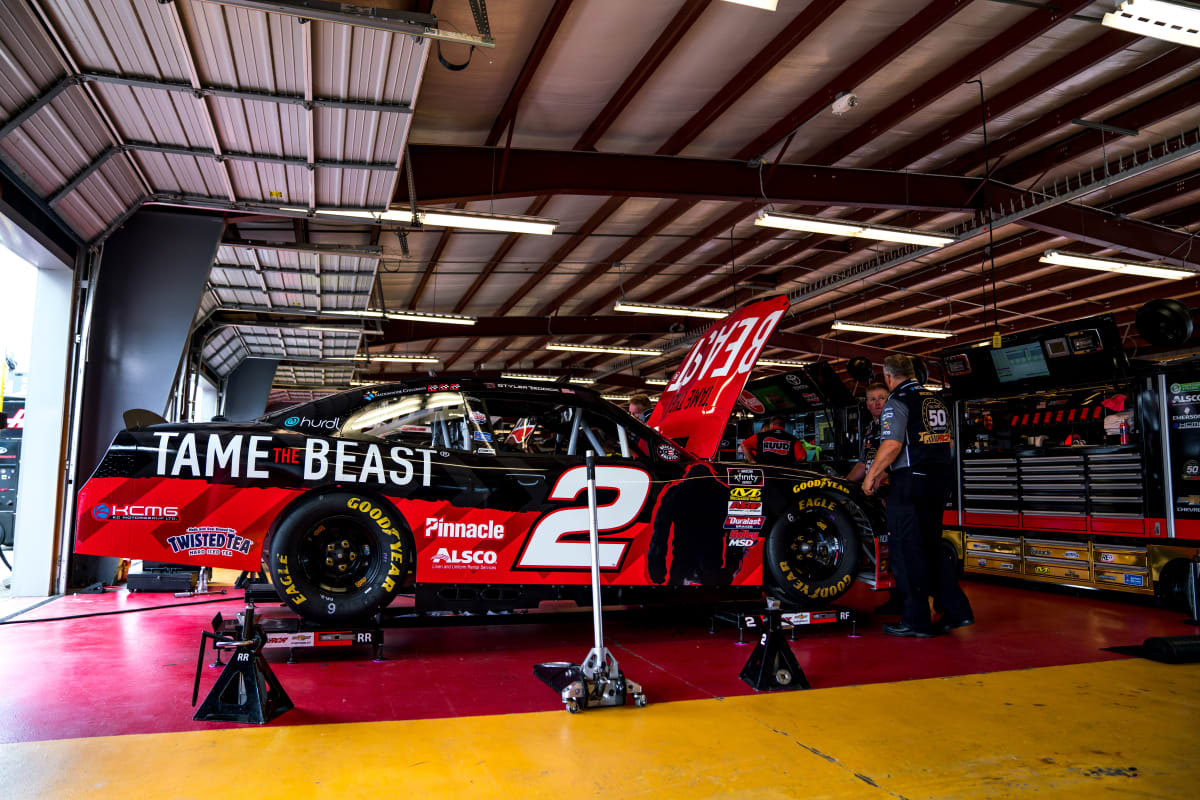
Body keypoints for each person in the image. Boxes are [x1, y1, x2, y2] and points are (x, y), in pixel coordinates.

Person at [863, 355, 973, 637]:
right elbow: (946, 442)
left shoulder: (896, 401)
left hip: (911, 483)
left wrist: (872, 475)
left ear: (888, 378)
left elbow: (892, 444)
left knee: (906, 550)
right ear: (913, 372)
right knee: (930, 546)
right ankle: (956, 611)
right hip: (938, 480)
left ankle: (916, 620)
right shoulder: (935, 399)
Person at [846, 381, 903, 615]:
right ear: (866, 404)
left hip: (893, 491)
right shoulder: (870, 429)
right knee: (883, 545)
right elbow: (863, 462)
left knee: (898, 545)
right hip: (872, 493)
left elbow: (897, 454)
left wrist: (881, 475)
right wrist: (844, 483)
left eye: (881, 398)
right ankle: (895, 595)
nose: (877, 402)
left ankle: (903, 596)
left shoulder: (896, 425)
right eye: (872, 399)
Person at [739, 416, 803, 466]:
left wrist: (752, 461)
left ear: (771, 425)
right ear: (784, 426)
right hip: (784, 475)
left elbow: (744, 444)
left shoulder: (760, 436)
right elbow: (802, 457)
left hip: (765, 474)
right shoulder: (793, 439)